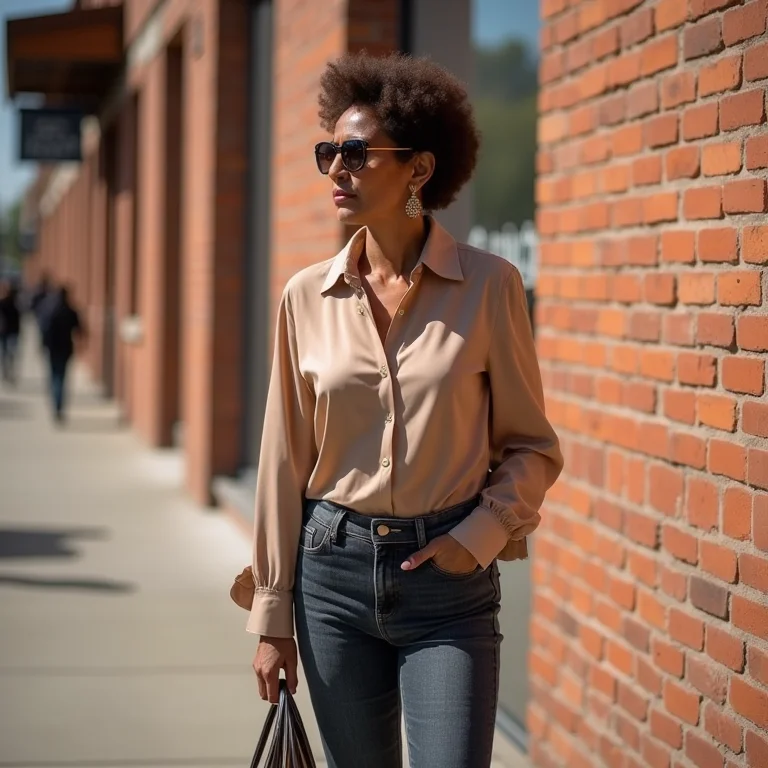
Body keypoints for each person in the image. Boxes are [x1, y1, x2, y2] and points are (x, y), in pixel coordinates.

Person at [245, 52, 563, 768]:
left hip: (448, 585)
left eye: (356, 153)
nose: (336, 169)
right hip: (331, 581)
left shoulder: (490, 286)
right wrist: (273, 615)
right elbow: (281, 462)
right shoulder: (304, 297)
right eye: (329, 151)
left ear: (418, 170)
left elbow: (531, 447)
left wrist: (481, 533)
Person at [42, 286, 84, 423]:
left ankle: (56, 405)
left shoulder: (51, 311)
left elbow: (45, 330)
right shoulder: (70, 311)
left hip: (53, 350)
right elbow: (80, 330)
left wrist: (44, 346)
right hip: (65, 349)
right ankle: (59, 406)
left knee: (54, 376)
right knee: (62, 377)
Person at [0, 280, 21, 385]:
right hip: (4, 332)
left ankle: (9, 371)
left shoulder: (15, 303)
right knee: (5, 353)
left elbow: (18, 319)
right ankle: (6, 372)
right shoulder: (3, 303)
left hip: (12, 332)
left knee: (10, 353)